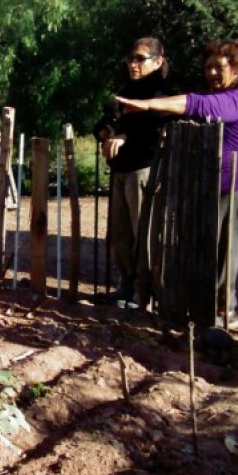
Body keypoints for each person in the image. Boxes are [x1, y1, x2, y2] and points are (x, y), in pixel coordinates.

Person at [116, 39, 238, 324]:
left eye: (218, 67)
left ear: (237, 68)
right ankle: (209, 305)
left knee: (227, 247)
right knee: (209, 246)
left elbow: (196, 104)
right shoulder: (228, 94)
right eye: (208, 67)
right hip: (218, 184)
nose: (211, 73)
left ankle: (226, 310)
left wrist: (148, 104)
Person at [94, 36, 172, 309]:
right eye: (131, 59)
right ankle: (126, 287)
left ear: (158, 61)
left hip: (144, 169)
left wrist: (126, 136)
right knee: (120, 234)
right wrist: (106, 131)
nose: (133, 64)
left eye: (140, 59)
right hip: (120, 168)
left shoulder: (161, 93)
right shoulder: (129, 89)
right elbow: (108, 122)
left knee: (144, 232)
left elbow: (157, 130)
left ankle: (146, 293)